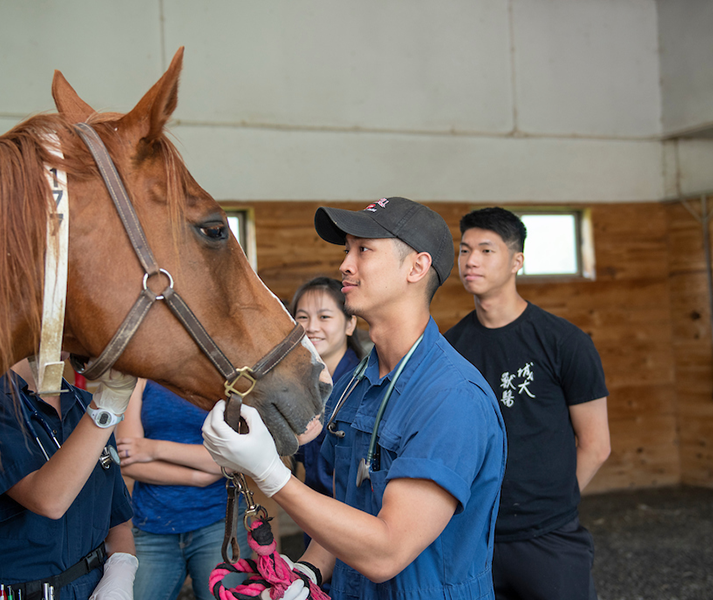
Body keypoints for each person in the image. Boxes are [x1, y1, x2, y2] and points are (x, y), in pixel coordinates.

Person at [202, 197, 507, 600]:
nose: (345, 264)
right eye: (347, 250)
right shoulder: (354, 387)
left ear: (416, 267)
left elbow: (386, 550)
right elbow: (344, 508)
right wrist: (310, 570)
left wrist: (270, 474)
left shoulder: (451, 399)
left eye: (364, 250)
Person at [444, 206, 611, 600]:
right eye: (465, 250)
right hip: (475, 538)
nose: (470, 261)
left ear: (517, 261)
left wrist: (554, 506)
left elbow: (596, 444)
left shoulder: (564, 342)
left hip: (550, 539)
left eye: (486, 250)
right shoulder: (452, 350)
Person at [0, 357, 138, 600]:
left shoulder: (84, 404)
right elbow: (49, 500)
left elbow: (117, 521)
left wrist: (121, 572)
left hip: (93, 587)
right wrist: (106, 409)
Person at [115, 378, 252, 600]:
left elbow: (234, 458)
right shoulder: (139, 377)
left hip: (219, 523)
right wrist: (197, 476)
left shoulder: (226, 376)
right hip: (152, 527)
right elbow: (128, 459)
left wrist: (153, 449)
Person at [288, 277, 363, 503]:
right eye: (302, 317)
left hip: (346, 522)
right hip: (311, 516)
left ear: (350, 324)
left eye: (324, 317)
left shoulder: (360, 389)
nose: (311, 327)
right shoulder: (297, 385)